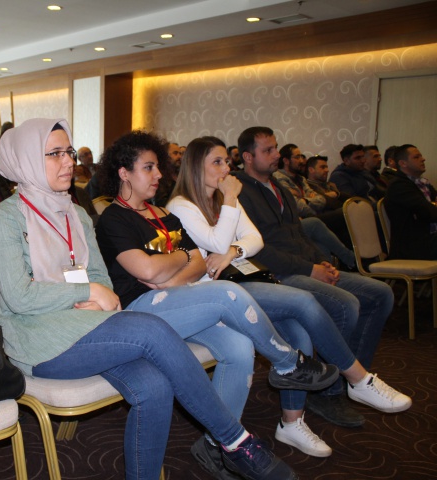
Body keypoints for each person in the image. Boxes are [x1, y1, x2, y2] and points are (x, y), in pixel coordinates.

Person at [0, 117, 299, 480]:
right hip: (39, 340)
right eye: (54, 153)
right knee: (151, 329)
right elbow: (20, 297)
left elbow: (101, 277)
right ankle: (235, 440)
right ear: (25, 159)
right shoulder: (6, 219)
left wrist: (98, 293)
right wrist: (89, 292)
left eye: (68, 151)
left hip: (87, 325)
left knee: (154, 387)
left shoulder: (75, 214)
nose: (68, 161)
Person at [94, 131, 340, 468]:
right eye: (148, 168)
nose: (159, 174)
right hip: (141, 313)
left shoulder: (163, 213)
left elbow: (198, 262)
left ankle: (216, 445)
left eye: (158, 167)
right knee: (227, 292)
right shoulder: (114, 218)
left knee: (240, 346)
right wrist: (180, 260)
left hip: (177, 301)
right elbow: (147, 269)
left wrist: (172, 274)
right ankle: (287, 363)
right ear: (124, 173)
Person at [168, 136, 412, 457]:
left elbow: (254, 239)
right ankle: (358, 378)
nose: (226, 168)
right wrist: (230, 203)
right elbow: (216, 241)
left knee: (299, 333)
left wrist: (232, 251)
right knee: (303, 301)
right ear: (195, 167)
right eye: (217, 162)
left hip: (239, 280)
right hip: (213, 293)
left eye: (226, 161)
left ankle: (291, 422)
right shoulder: (181, 205)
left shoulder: (222, 199)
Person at [234, 126, 400, 429]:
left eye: (275, 148)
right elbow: (260, 251)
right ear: (247, 156)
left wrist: (321, 261)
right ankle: (328, 390)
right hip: (277, 275)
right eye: (267, 150)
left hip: (304, 266)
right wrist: (310, 269)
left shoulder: (279, 187)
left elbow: (299, 233)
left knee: (380, 294)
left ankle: (351, 380)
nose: (276, 155)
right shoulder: (239, 193)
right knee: (346, 305)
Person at [384, 144, 437, 260]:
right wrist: (433, 206)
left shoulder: (422, 183)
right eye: (416, 157)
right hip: (411, 246)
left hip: (426, 240)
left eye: (421, 156)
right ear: (403, 163)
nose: (423, 159)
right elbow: (429, 212)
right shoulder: (399, 186)